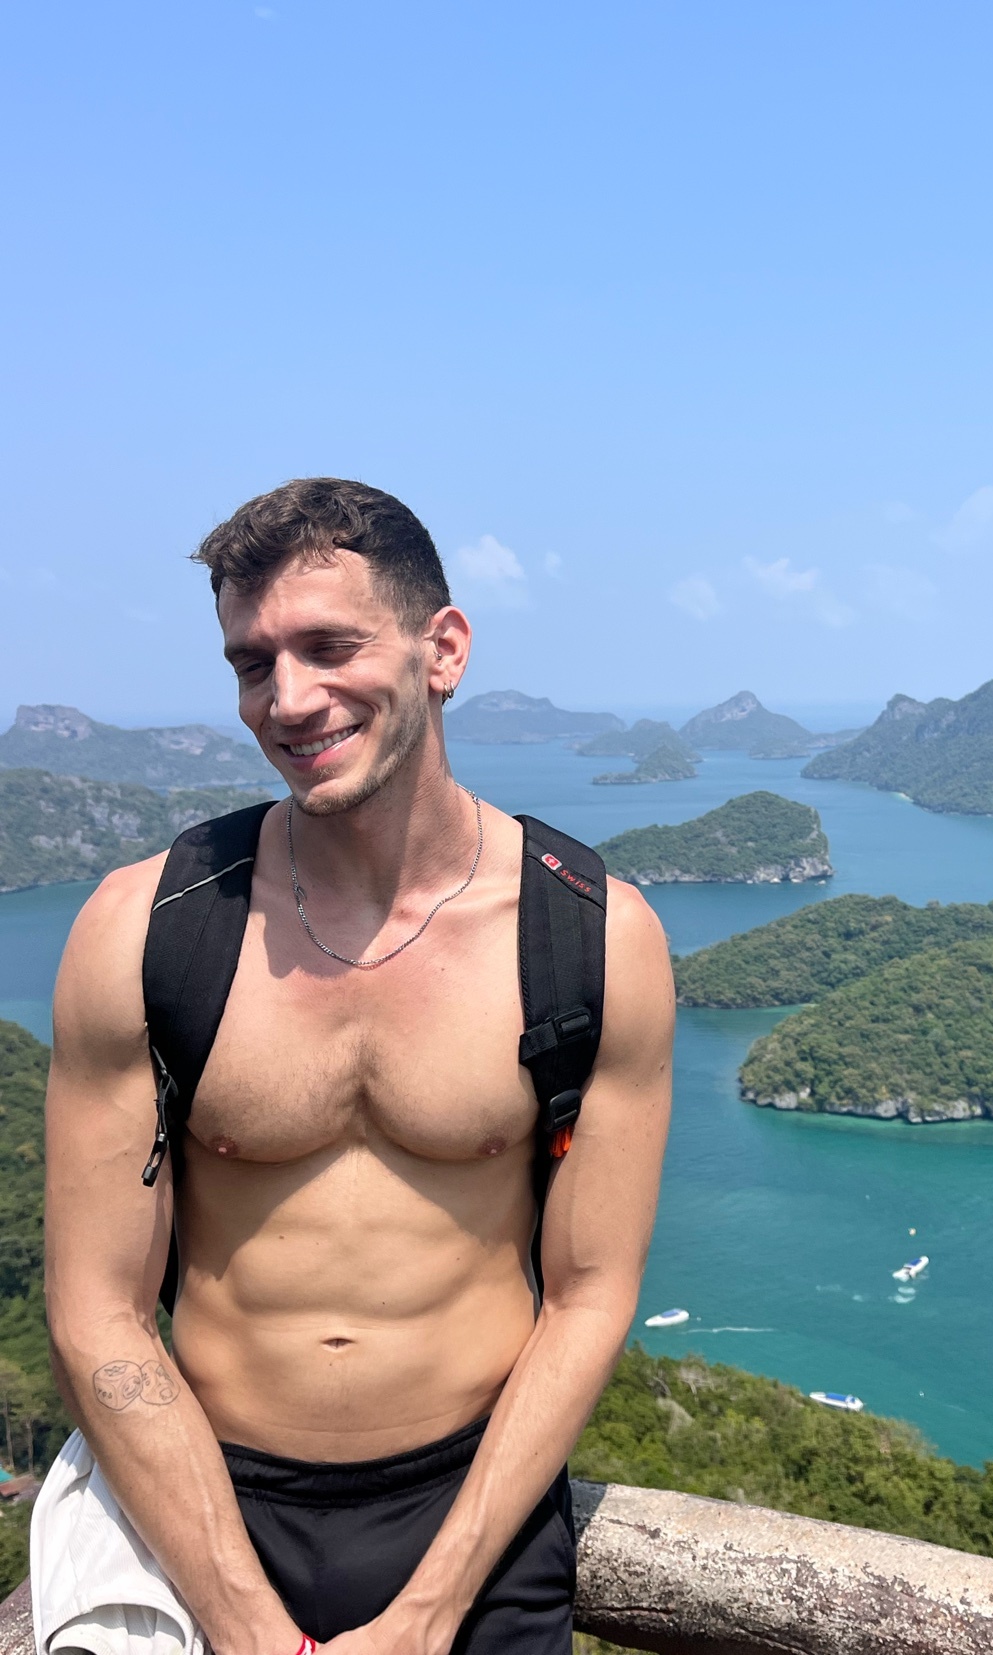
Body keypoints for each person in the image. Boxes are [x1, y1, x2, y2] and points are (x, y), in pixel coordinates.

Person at [41, 479, 674, 1655]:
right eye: (252, 663)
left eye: (329, 646)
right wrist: (242, 1616)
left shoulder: (589, 937)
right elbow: (96, 1305)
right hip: (198, 1503)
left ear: (445, 649)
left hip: (477, 1524)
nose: (287, 699)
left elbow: (590, 1294)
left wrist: (431, 1610)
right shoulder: (147, 927)